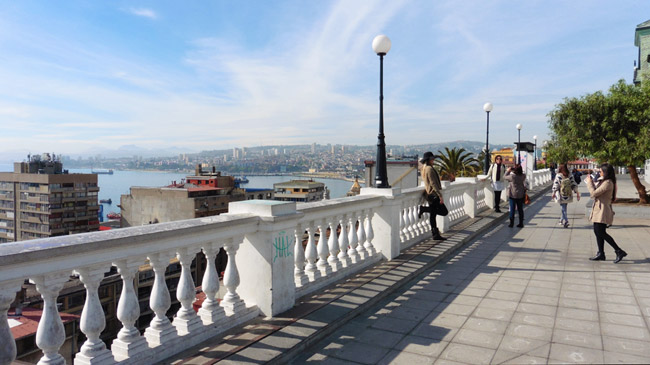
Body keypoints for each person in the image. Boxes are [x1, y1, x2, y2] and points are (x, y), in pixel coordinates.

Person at [585, 163, 626, 263]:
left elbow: (594, 193)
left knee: (600, 232)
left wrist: (589, 183)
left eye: (601, 171)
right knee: (597, 232)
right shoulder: (604, 181)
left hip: (603, 210)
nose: (599, 173)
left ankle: (618, 250)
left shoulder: (608, 183)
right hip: (598, 209)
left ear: (606, 172)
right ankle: (601, 253)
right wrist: (594, 180)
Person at [418, 151, 446, 240]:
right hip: (433, 195)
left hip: (430, 194)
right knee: (444, 212)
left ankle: (435, 234)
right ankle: (424, 209)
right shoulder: (429, 169)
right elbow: (433, 183)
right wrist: (440, 195)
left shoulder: (425, 168)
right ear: (428, 160)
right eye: (432, 158)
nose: (433, 160)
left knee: (433, 215)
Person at [552, 164, 580, 228]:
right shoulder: (570, 175)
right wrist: (577, 192)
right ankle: (561, 220)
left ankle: (566, 221)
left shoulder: (558, 175)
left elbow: (556, 185)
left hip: (560, 194)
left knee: (563, 208)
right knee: (564, 207)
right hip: (568, 194)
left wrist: (553, 192)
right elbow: (573, 184)